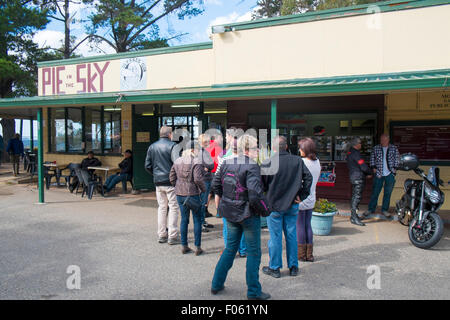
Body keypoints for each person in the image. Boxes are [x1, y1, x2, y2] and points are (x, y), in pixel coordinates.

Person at [211, 134, 271, 300]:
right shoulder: (252, 166)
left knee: (230, 249)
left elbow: (215, 186)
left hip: (230, 212)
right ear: (247, 149)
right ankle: (253, 292)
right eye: (255, 147)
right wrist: (266, 210)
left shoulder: (226, 162)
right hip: (248, 214)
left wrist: (228, 200)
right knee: (253, 253)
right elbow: (254, 195)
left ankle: (216, 284)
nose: (258, 150)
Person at [261, 136, 312, 278]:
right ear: (287, 147)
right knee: (291, 235)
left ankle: (275, 268)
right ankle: (293, 266)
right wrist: (302, 195)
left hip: (274, 205)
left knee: (275, 237)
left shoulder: (267, 162)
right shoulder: (297, 161)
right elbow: (309, 178)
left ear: (273, 148)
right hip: (292, 204)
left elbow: (262, 185)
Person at [145, 126, 180, 245]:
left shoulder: (152, 146)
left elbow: (147, 165)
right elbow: (177, 164)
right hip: (171, 182)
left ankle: (162, 234)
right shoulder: (173, 146)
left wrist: (155, 174)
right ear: (170, 134)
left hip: (158, 181)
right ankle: (172, 235)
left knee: (162, 208)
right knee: (174, 207)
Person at [170, 141, 206, 255]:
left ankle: (184, 246)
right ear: (192, 150)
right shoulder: (196, 161)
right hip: (193, 194)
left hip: (180, 195)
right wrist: (203, 189)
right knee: (197, 220)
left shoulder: (177, 161)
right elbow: (198, 179)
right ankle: (197, 247)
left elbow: (171, 177)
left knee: (184, 220)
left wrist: (177, 186)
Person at [215, 133, 247, 258]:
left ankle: (230, 250)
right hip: (242, 198)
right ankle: (243, 250)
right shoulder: (248, 162)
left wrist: (219, 200)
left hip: (227, 198)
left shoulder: (223, 160)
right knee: (243, 225)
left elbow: (216, 183)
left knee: (228, 226)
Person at [362, 134, 400, 219]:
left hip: (390, 174)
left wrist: (394, 169)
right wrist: (373, 167)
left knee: (387, 193)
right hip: (379, 173)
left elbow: (397, 159)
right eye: (381, 139)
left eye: (384, 140)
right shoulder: (376, 148)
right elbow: (372, 159)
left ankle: (384, 210)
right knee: (375, 192)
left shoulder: (394, 148)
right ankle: (371, 209)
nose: (382, 141)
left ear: (388, 140)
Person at [297, 138, 321, 262]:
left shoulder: (302, 163)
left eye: (300, 148)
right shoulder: (317, 162)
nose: (299, 150)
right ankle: (309, 254)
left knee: (300, 225)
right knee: (308, 225)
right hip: (312, 197)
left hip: (301, 198)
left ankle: (301, 255)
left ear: (305, 149)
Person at [346, 137, 372, 226]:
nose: (361, 144)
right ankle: (354, 217)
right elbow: (363, 166)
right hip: (358, 177)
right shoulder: (356, 154)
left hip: (354, 177)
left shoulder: (350, 152)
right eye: (360, 143)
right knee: (356, 197)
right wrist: (370, 172)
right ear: (356, 144)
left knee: (354, 197)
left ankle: (354, 216)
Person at [198, 134, 215, 232]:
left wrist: (208, 167)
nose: (209, 143)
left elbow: (210, 165)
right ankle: (201, 223)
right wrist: (208, 167)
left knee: (204, 202)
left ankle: (203, 221)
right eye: (208, 141)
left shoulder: (204, 151)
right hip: (204, 179)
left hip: (207, 178)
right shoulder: (201, 152)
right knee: (202, 202)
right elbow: (209, 165)